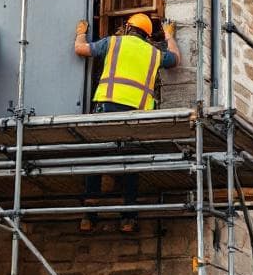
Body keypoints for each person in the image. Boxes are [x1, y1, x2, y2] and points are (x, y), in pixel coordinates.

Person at [73, 13, 180, 233]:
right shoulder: (154, 53)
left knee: (96, 156)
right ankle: (128, 219)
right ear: (148, 35)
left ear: (127, 27)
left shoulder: (112, 42)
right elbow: (176, 59)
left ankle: (89, 216)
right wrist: (169, 36)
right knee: (132, 163)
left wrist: (81, 33)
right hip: (136, 116)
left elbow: (81, 50)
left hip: (107, 110)